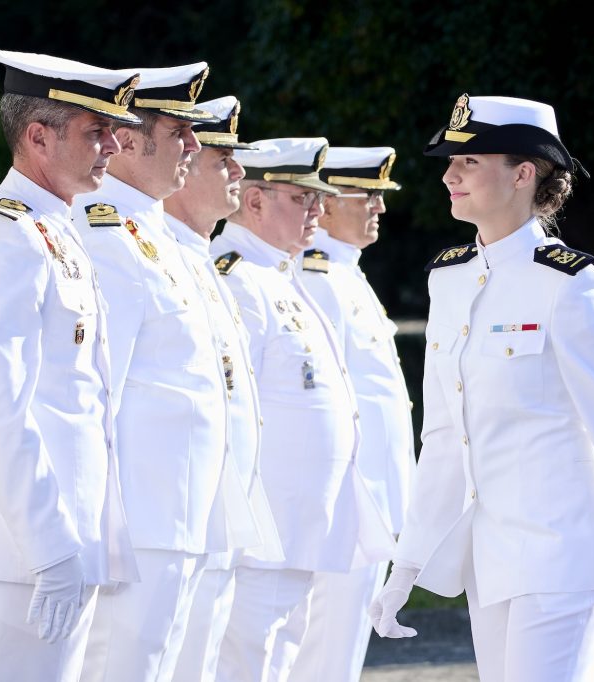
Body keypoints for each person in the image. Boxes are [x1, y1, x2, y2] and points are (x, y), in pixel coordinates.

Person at [369, 94, 594, 682]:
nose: (449, 174)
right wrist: (406, 564)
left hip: (564, 559)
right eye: (450, 161)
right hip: (493, 562)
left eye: (470, 161)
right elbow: (446, 437)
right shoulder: (450, 278)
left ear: (523, 174)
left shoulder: (573, 285)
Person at [0, 51, 141, 681]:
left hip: (59, 544)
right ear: (37, 136)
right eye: (95, 131)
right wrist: (50, 550)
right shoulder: (2, 241)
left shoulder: (54, 230)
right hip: (15, 551)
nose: (114, 145)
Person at [71, 63, 261, 682]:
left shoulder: (161, 238)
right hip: (139, 527)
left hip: (187, 516)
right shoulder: (104, 235)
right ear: (128, 140)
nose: (195, 147)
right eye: (180, 132)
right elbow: (95, 394)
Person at [209, 138, 395, 682]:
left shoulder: (280, 275)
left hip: (299, 528)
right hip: (263, 533)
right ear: (255, 201)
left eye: (319, 197)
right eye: (301, 197)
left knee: (281, 659)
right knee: (247, 664)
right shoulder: (238, 278)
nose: (318, 208)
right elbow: (233, 413)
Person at [164, 95, 284, 682]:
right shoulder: (156, 255)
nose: (239, 172)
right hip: (167, 523)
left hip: (215, 517)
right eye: (224, 160)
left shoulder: (198, 260)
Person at [288, 147, 415, 682]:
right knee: (319, 653)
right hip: (343, 506)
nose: (379, 208)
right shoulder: (314, 274)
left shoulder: (345, 271)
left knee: (336, 654)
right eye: (368, 195)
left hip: (366, 504)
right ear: (329, 202)